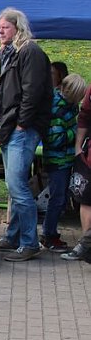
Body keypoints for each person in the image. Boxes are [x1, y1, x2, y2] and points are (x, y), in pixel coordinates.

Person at [0, 8, 52, 262]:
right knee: (14, 186)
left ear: (18, 27)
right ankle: (14, 235)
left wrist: (22, 124)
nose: (1, 31)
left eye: (5, 27)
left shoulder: (29, 51)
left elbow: (33, 91)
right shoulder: (8, 53)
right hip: (9, 126)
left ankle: (29, 242)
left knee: (17, 186)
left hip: (22, 127)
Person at [41, 74, 86, 252]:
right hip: (57, 159)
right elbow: (55, 138)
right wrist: (76, 133)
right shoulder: (57, 109)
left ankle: (51, 233)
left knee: (61, 198)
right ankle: (49, 234)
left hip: (64, 159)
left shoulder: (68, 106)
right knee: (57, 199)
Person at [66, 83, 91, 261]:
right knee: (85, 198)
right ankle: (86, 245)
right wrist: (77, 147)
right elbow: (84, 116)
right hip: (88, 156)